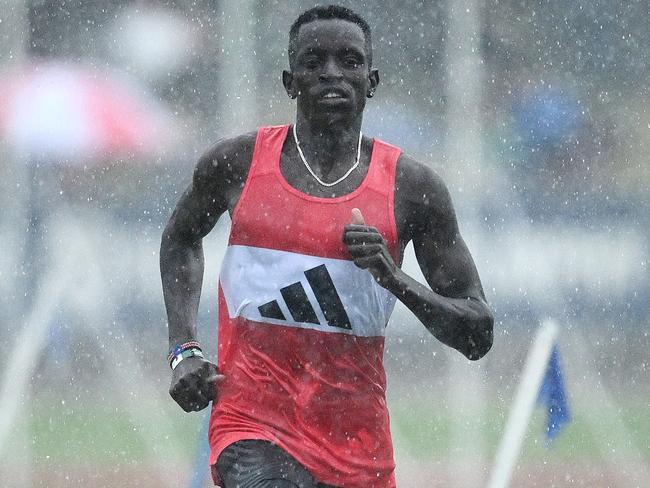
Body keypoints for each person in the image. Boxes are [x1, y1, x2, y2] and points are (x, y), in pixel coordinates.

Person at [160, 5, 493, 488]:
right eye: (314, 62)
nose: (332, 74)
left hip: (358, 446)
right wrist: (183, 350)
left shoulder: (411, 188)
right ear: (289, 81)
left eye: (349, 62)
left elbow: (477, 333)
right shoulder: (236, 164)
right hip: (251, 427)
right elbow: (180, 239)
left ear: (372, 80)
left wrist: (393, 277)